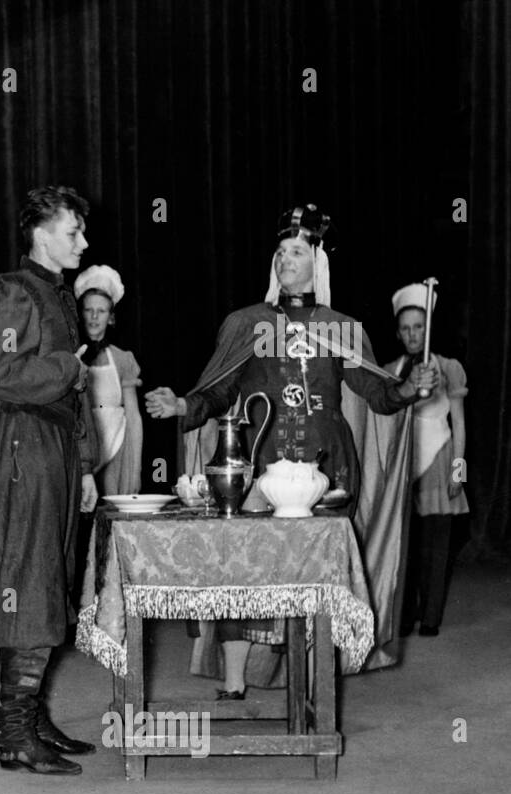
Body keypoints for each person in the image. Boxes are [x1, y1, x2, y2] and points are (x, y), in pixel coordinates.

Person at [145, 204, 437, 699]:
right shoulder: (245, 323)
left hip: (326, 470)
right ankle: (235, 682)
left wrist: (411, 388)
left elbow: (379, 394)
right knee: (241, 569)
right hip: (257, 467)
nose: (285, 259)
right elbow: (216, 392)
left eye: (297, 251)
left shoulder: (343, 328)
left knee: (314, 577)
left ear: (317, 263)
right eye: (280, 251)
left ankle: (311, 683)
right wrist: (181, 405)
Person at [0, 185, 101, 776]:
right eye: (73, 231)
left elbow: (70, 399)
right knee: (28, 580)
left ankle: (32, 717)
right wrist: (69, 365)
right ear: (40, 235)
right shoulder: (13, 291)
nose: (83, 240)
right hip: (26, 442)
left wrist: (81, 465)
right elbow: (0, 375)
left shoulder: (56, 294)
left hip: (53, 446)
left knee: (52, 580)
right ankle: (12, 734)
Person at [389, 283, 469, 636]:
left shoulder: (450, 367)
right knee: (406, 544)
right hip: (407, 462)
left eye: (418, 327)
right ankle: (405, 615)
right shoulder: (391, 370)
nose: (412, 334)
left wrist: (459, 471)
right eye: (405, 328)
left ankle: (431, 617)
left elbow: (459, 423)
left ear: (429, 329)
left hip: (441, 460)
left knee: (437, 545)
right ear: (398, 333)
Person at [74, 265, 143, 496]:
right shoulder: (70, 358)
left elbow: (133, 416)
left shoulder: (123, 359)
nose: (94, 317)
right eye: (88, 310)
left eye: (101, 311)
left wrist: (135, 470)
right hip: (83, 447)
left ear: (111, 317)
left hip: (117, 448)